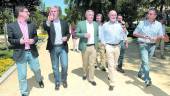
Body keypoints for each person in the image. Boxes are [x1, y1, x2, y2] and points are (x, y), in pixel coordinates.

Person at [7, 6, 44, 96]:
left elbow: (36, 37)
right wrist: (20, 41)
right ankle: (24, 92)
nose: (28, 13)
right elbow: (10, 39)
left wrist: (33, 40)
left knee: (37, 69)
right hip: (20, 53)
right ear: (20, 13)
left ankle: (39, 79)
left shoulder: (31, 24)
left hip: (32, 52)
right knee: (22, 75)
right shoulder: (11, 26)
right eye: (26, 11)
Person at [133, 8, 163, 87]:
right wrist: (143, 36)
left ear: (155, 16)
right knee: (146, 62)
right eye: (148, 13)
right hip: (143, 44)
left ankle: (140, 72)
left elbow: (161, 35)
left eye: (150, 14)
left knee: (146, 61)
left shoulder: (159, 24)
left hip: (153, 45)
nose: (148, 15)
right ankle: (147, 79)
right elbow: (134, 33)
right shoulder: (142, 23)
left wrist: (156, 38)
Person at [43, 6, 70, 90]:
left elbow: (68, 34)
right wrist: (48, 20)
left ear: (58, 12)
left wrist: (67, 37)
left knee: (65, 65)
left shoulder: (64, 22)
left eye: (55, 11)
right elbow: (45, 27)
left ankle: (64, 79)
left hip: (63, 47)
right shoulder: (48, 23)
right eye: (51, 11)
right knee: (55, 66)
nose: (53, 12)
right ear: (49, 12)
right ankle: (57, 82)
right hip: (53, 48)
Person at [101, 10, 124, 91]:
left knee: (115, 64)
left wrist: (122, 38)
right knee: (111, 65)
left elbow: (123, 35)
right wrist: (104, 44)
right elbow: (102, 35)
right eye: (112, 15)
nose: (113, 16)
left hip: (117, 46)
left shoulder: (119, 25)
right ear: (108, 15)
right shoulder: (105, 25)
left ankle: (110, 75)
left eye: (115, 15)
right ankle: (112, 83)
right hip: (109, 46)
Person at [76, 10, 98, 86]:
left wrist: (97, 43)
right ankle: (85, 73)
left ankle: (91, 78)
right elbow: (76, 33)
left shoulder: (96, 24)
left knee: (92, 63)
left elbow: (97, 35)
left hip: (93, 47)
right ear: (86, 15)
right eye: (89, 14)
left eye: (92, 15)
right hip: (85, 46)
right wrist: (83, 35)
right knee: (85, 63)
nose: (91, 16)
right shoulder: (80, 23)